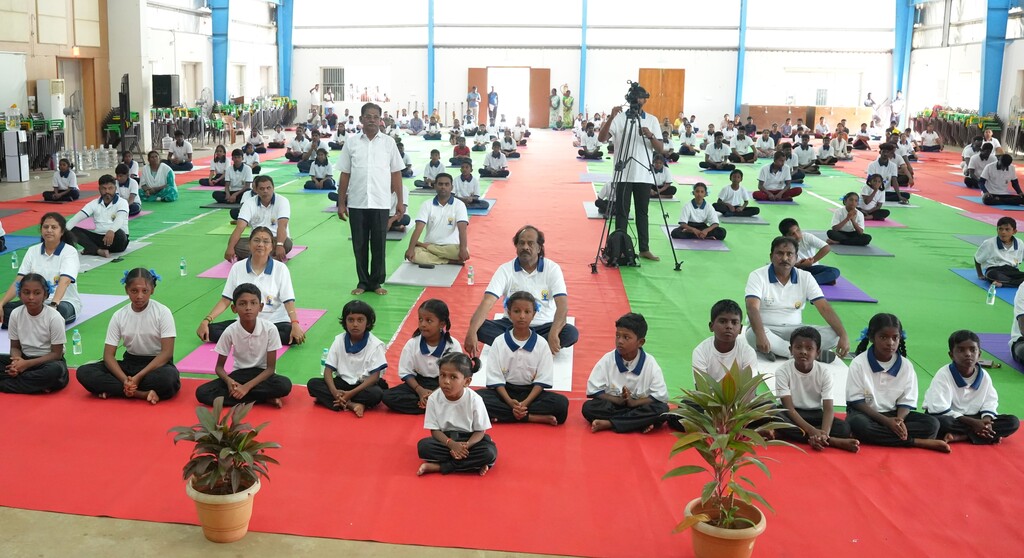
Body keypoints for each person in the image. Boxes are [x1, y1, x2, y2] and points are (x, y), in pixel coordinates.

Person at [464, 225, 579, 357]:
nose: (525, 247)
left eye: (530, 243)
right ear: (516, 247)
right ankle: (535, 349)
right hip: (512, 326)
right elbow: (488, 301)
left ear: (539, 248)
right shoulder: (505, 269)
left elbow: (562, 306)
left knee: (570, 333)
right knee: (481, 328)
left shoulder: (552, 269)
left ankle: (513, 347)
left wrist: (553, 333)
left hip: (543, 327)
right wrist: (472, 331)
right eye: (521, 243)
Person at [845, 313, 949, 452]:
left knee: (932, 424)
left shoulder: (906, 366)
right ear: (871, 338)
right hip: (867, 414)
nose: (890, 343)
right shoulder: (859, 363)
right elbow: (857, 402)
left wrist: (899, 421)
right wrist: (887, 422)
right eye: (883, 337)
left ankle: (885, 436)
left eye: (895, 337)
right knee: (858, 425)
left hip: (895, 414)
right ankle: (915, 442)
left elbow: (906, 401)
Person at [75, 268, 179, 404]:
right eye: (134, 291)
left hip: (156, 365)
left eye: (145, 291)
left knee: (168, 379)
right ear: (127, 290)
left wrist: (138, 378)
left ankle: (116, 390)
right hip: (130, 364)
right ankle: (140, 394)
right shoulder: (119, 315)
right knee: (84, 372)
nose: (139, 296)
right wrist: (126, 380)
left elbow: (167, 353)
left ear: (152, 290)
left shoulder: (163, 312)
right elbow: (108, 356)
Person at [336, 103, 405, 296]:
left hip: (381, 201)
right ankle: (363, 281)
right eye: (368, 116)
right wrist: (341, 203)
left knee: (379, 244)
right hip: (357, 201)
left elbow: (396, 173)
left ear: (380, 120)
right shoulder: (352, 142)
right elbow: (344, 174)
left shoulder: (388, 143)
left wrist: (399, 201)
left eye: (376, 116)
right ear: (361, 119)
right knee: (359, 244)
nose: (372, 119)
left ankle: (376, 282)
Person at [745, 236, 850, 361]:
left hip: (797, 331)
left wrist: (843, 335)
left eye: (789, 254)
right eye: (780, 253)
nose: (785, 258)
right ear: (771, 256)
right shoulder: (758, 276)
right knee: (752, 335)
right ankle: (808, 353)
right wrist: (761, 335)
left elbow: (824, 308)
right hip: (766, 328)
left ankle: (780, 351)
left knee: (834, 335)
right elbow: (752, 307)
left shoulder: (806, 277)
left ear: (796, 258)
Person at [196, 226, 305, 346]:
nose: (260, 244)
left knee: (290, 334)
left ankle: (243, 338)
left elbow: (288, 301)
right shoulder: (237, 268)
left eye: (265, 241)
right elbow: (226, 300)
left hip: (275, 322)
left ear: (272, 246)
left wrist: (294, 323)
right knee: (211, 331)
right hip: (245, 322)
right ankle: (257, 338)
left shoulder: (280, 269)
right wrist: (206, 320)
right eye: (256, 240)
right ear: (249, 244)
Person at [478, 291, 569, 425]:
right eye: (516, 311)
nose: (522, 316)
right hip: (505, 392)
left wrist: (525, 403)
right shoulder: (499, 342)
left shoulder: (542, 344)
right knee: (476, 399)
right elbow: (495, 377)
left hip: (531, 393)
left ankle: (506, 415)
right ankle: (531, 417)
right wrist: (510, 402)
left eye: (527, 312)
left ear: (533, 315)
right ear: (509, 313)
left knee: (561, 405)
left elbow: (542, 380)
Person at [195, 283, 293, 407]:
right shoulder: (230, 331)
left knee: (284, 385)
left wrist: (246, 388)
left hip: (262, 375)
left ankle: (245, 397)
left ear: (261, 307)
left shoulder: (270, 329)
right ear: (234, 308)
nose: (248, 308)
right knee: (202, 393)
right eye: (242, 303)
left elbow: (270, 369)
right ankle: (263, 398)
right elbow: (219, 368)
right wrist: (229, 381)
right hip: (239, 375)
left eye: (253, 303)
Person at [597, 90, 664, 261]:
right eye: (635, 97)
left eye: (641, 97)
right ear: (629, 99)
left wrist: (650, 135)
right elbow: (602, 139)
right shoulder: (619, 118)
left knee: (643, 213)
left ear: (645, 100)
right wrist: (610, 117)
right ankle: (620, 248)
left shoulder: (652, 119)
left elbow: (660, 149)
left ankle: (644, 248)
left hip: (644, 174)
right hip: (624, 173)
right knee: (622, 213)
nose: (638, 100)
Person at [923, 330, 1019, 445]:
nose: (968, 354)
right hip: (950, 417)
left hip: (974, 418)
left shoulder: (984, 376)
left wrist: (986, 422)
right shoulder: (943, 374)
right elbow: (939, 408)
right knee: (936, 423)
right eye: (961, 350)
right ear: (951, 355)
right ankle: (984, 435)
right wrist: (975, 424)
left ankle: (961, 436)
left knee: (1012, 422)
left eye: (973, 350)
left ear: (979, 354)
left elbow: (990, 402)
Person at [775, 327, 860, 452]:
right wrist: (812, 431)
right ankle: (832, 441)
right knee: (775, 416)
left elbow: (828, 408)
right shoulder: (782, 371)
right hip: (792, 413)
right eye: (798, 347)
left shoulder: (824, 373)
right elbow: (789, 409)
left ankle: (815, 438)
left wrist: (823, 433)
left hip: (815, 414)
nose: (803, 352)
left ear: (818, 353)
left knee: (844, 428)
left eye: (809, 349)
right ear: (790, 350)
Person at [582, 313, 669, 433]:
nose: (620, 341)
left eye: (626, 337)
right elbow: (594, 391)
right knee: (589, 408)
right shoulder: (608, 360)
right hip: (615, 405)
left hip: (638, 405)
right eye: (617, 336)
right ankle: (638, 423)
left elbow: (659, 396)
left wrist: (634, 403)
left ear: (640, 342)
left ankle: (610, 423)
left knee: (662, 410)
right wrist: (619, 400)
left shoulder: (650, 364)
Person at [416, 352, 498, 476]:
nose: (446, 381)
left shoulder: (475, 399)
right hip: (446, 441)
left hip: (469, 441)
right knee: (424, 447)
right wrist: (452, 445)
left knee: (488, 452)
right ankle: (472, 465)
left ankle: (440, 467)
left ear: (467, 381)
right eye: (442, 375)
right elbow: (434, 430)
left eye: (453, 377)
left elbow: (480, 431)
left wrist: (465, 446)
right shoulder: (433, 398)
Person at [306, 300, 388, 415]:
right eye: (351, 320)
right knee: (313, 384)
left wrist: (351, 393)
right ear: (345, 322)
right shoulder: (339, 340)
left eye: (360, 320)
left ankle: (338, 401)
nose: (355, 324)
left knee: (376, 394)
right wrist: (334, 391)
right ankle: (351, 404)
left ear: (368, 323)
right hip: (342, 382)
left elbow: (374, 377)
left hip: (362, 385)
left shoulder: (375, 344)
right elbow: (328, 371)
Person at [383, 299, 462, 414]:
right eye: (420, 319)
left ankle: (428, 404)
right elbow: (406, 372)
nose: (423, 324)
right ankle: (433, 405)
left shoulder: (453, 345)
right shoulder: (412, 344)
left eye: (429, 321)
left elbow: (457, 376)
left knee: (458, 393)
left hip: (444, 384)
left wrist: (436, 393)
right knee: (387, 396)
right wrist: (420, 391)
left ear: (442, 324)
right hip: (418, 383)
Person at [1, 213, 81, 327]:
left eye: (54, 227)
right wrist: (1, 303)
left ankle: (26, 321)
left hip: (63, 302)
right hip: (34, 302)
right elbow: (19, 280)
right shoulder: (32, 251)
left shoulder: (69, 252)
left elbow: (65, 281)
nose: (49, 230)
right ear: (41, 229)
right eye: (46, 227)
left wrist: (54, 305)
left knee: (59, 314)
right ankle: (37, 322)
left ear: (62, 232)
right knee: (5, 309)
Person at [0, 273, 68, 394]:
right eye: (26, 292)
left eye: (37, 293)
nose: (31, 297)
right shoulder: (15, 314)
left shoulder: (54, 317)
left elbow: (56, 354)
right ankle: (35, 385)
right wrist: (17, 362)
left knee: (55, 371)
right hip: (24, 358)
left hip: (48, 362)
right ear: (20, 294)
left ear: (45, 295)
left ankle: (8, 384)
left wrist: (26, 365)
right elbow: (15, 347)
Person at [405, 173, 469, 266]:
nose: (443, 187)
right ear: (435, 186)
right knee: (414, 255)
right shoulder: (426, 204)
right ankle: (448, 261)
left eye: (446, 184)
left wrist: (463, 249)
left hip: (451, 247)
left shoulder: (459, 205)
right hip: (432, 244)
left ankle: (426, 247)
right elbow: (418, 228)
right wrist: (410, 249)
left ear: (451, 187)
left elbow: (462, 229)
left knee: (462, 250)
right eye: (440, 184)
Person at [225, 176, 291, 261]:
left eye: (268, 188)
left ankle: (256, 257)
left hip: (275, 239)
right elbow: (240, 227)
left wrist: (279, 245)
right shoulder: (249, 203)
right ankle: (269, 257)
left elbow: (282, 226)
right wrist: (230, 247)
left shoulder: (282, 201)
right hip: (256, 240)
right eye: (262, 188)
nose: (265, 191)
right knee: (237, 245)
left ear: (273, 188)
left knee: (287, 243)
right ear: (256, 190)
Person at [692, 299, 758, 382]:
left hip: (741, 395)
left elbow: (750, 388)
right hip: (710, 395)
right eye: (723, 321)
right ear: (711, 326)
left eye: (734, 322)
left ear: (740, 329)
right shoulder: (700, 352)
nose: (729, 326)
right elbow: (701, 388)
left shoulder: (748, 352)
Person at [67, 174, 130, 258]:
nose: (107, 191)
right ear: (99, 189)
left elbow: (120, 219)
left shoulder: (122, 202)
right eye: (104, 188)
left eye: (110, 188)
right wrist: (61, 232)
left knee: (120, 233)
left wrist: (112, 230)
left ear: (115, 189)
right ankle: (98, 251)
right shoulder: (93, 203)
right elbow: (76, 218)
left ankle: (91, 248)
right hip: (100, 239)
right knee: (71, 230)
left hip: (117, 240)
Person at [780, 218, 839, 286]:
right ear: (785, 236)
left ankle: (805, 282)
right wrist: (800, 265)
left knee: (834, 271)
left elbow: (826, 247)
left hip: (812, 268)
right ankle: (815, 280)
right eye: (792, 234)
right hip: (794, 270)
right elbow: (781, 264)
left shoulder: (807, 237)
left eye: (798, 230)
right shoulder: (782, 245)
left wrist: (812, 261)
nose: (797, 235)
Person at [974, 216, 1024, 287]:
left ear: (1014, 231)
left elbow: (1020, 259)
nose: (1003, 232)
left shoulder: (1019, 243)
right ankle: (1015, 283)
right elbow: (977, 259)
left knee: (1008, 277)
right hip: (994, 270)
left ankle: (1003, 284)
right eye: (1000, 229)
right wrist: (980, 275)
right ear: (997, 230)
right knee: (994, 276)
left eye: (1007, 229)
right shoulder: (989, 243)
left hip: (1012, 270)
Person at [212, 148, 253, 214]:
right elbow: (227, 185)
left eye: (239, 157)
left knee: (248, 193)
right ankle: (233, 200)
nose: (237, 159)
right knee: (215, 194)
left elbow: (247, 186)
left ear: (242, 158)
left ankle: (231, 200)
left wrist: (235, 195)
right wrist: (228, 194)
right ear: (232, 159)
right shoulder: (229, 169)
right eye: (235, 157)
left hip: (242, 191)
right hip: (232, 191)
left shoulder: (248, 169)